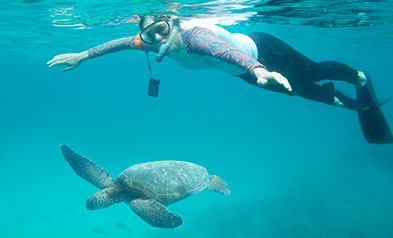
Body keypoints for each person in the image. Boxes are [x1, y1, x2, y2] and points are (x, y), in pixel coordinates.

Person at [47, 15, 392, 144]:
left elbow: (225, 53)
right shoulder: (149, 40)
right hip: (245, 72)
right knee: (305, 94)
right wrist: (84, 56)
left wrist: (259, 70)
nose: (154, 39)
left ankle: (358, 76)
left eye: (161, 29)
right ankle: (354, 103)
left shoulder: (194, 37)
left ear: (175, 23)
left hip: (263, 52)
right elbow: (122, 43)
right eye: (148, 35)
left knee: (312, 72)